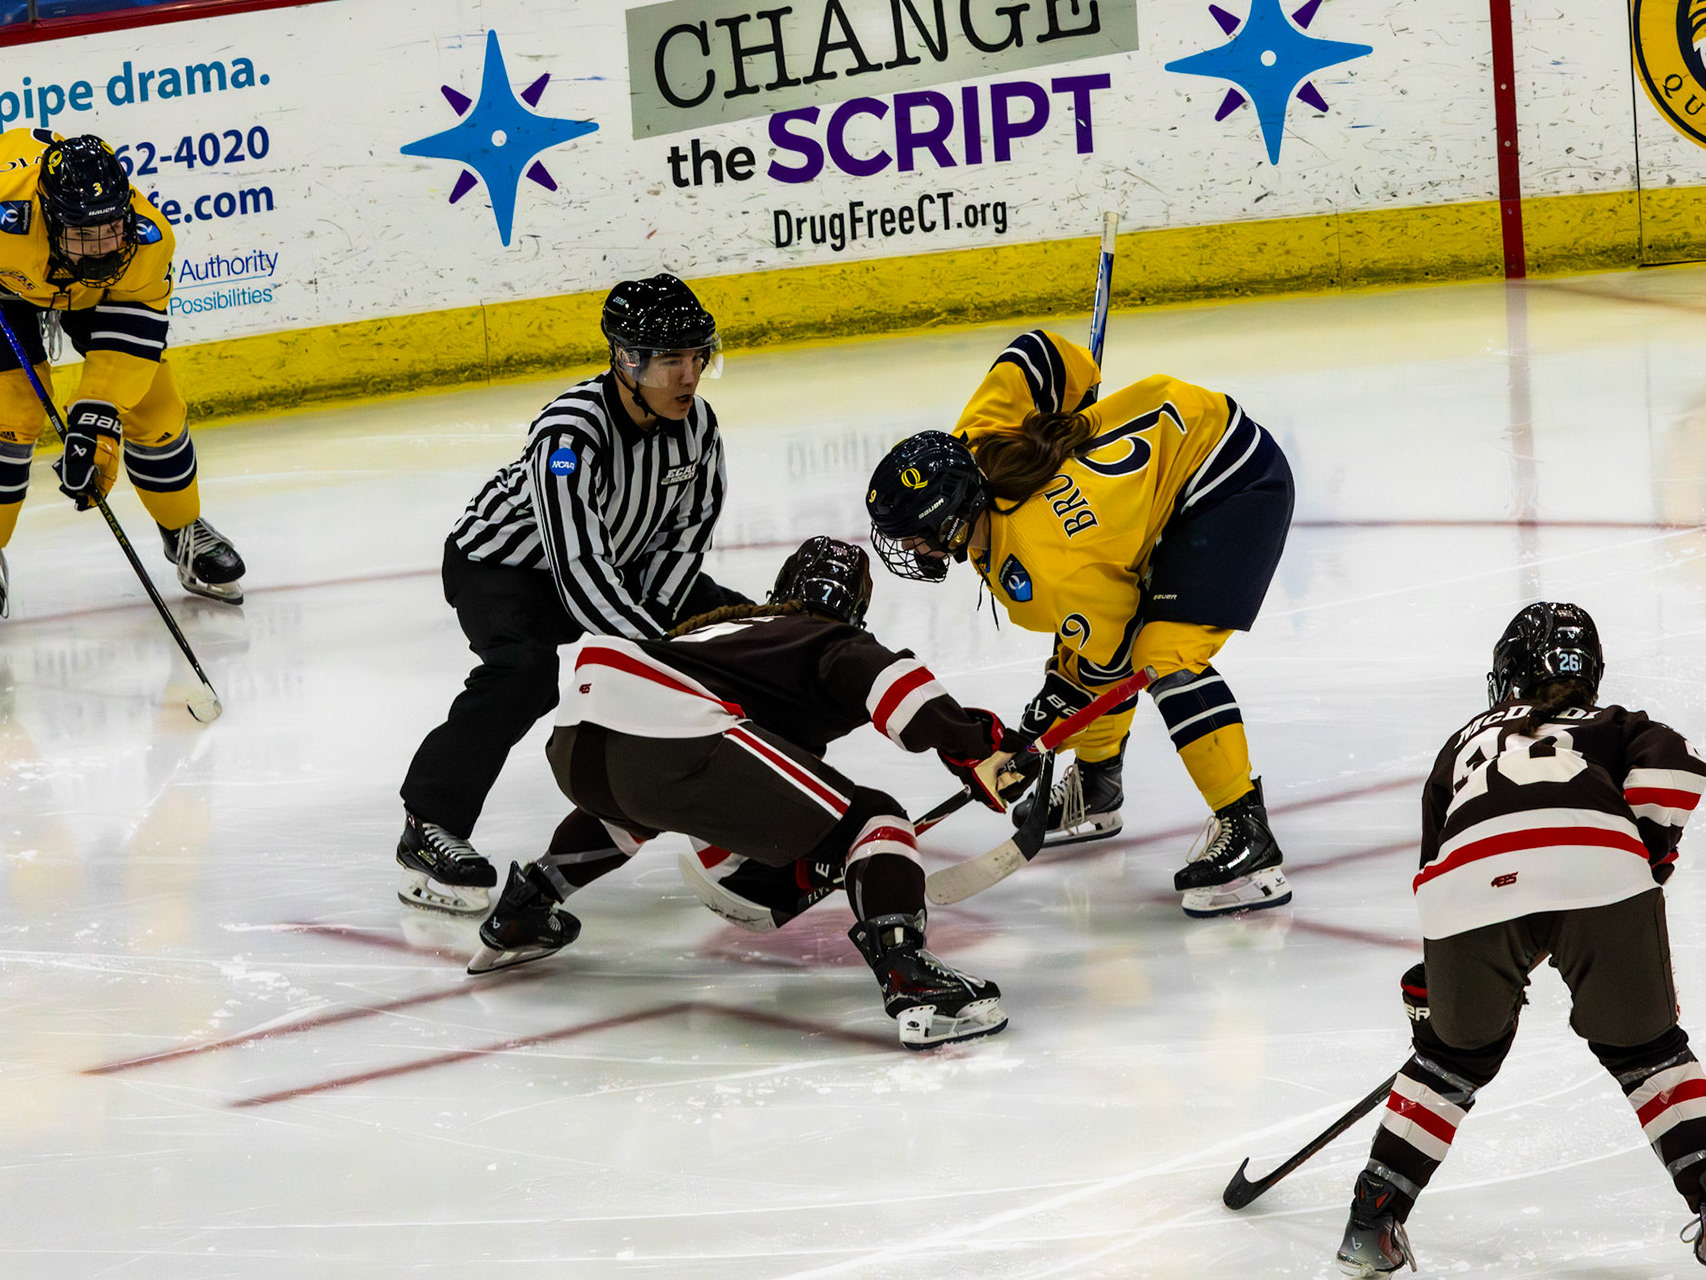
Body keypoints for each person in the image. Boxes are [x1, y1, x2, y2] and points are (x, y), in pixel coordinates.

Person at [466, 536, 1031, 1049]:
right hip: (673, 730)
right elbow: (902, 693)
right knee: (873, 820)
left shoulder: (731, 632)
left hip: (581, 732)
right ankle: (909, 974)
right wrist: (977, 746)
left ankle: (525, 908)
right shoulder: (829, 637)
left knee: (634, 806)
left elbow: (741, 790)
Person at [864, 328, 1294, 917]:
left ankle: (1247, 831)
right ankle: (1097, 787)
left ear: (950, 520)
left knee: (1163, 656)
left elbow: (1112, 663)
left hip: (1232, 479)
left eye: (915, 534)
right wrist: (1080, 392)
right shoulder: (974, 441)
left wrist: (1036, 733)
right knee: (1094, 638)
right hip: (1176, 451)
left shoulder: (1043, 565)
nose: (910, 547)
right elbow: (1039, 352)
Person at [1335, 603, 1706, 1276]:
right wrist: (1644, 853)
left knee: (1449, 1061)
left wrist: (1442, 984)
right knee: (1649, 1054)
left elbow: (1437, 866)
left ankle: (1372, 1222)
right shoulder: (1616, 724)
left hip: (1465, 890)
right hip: (1601, 869)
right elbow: (1678, 769)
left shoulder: (1461, 743)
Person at [396, 273, 751, 915]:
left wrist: (669, 633)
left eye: (697, 356)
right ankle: (429, 824)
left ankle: (748, 811)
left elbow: (683, 538)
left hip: (618, 564)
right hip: (503, 569)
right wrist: (654, 648)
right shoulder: (570, 435)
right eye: (671, 360)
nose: (689, 375)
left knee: (734, 638)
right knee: (525, 674)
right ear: (627, 361)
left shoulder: (698, 426)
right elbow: (577, 566)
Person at [0, 128, 245, 618]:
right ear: (51, 218)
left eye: (111, 228)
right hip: (8, 286)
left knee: (154, 406)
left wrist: (96, 420)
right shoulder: (8, 218)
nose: (102, 248)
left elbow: (131, 340)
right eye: (83, 234)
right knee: (11, 414)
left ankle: (183, 527)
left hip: (91, 296)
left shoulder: (148, 239)